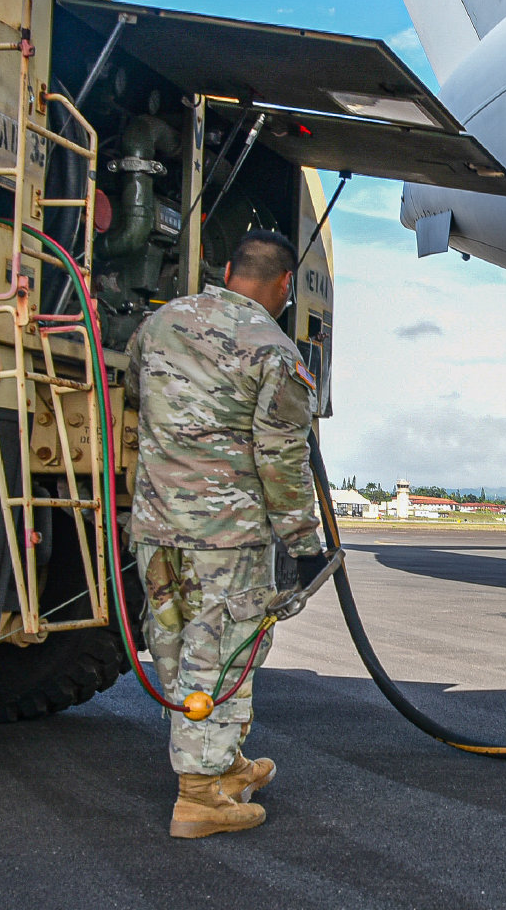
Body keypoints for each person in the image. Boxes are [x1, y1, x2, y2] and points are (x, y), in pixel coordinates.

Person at [125, 229, 326, 837]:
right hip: (227, 539)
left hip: (156, 528)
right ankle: (199, 798)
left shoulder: (159, 325)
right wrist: (305, 545)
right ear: (285, 285)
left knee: (175, 645)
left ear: (228, 269)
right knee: (223, 654)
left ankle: (221, 765)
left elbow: (135, 394)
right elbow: (282, 460)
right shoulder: (274, 350)